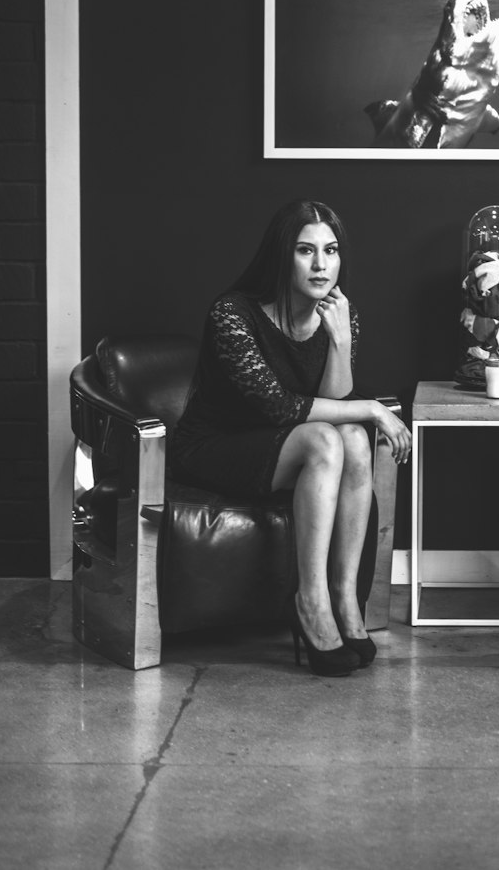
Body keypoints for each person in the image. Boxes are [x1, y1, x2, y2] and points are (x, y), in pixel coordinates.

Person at [169, 199, 412, 677]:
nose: (321, 265)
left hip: (287, 445)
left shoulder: (340, 314)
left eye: (331, 250)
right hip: (215, 447)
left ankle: (345, 597)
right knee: (327, 440)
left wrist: (339, 341)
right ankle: (310, 599)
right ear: (283, 256)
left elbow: (333, 403)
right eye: (306, 251)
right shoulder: (232, 315)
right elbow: (281, 408)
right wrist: (373, 407)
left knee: (354, 441)